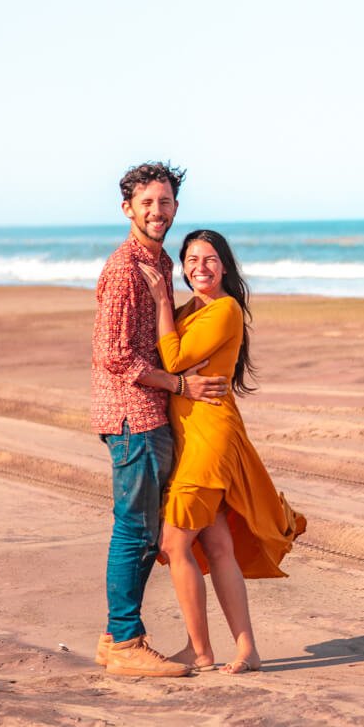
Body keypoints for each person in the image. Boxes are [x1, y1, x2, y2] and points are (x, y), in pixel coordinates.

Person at [138, 229, 304, 674]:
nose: (200, 268)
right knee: (217, 542)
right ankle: (246, 648)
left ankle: (200, 650)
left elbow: (172, 360)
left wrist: (158, 305)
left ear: (225, 266)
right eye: (191, 260)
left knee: (175, 542)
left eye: (209, 259)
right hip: (191, 435)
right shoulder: (191, 309)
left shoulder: (225, 310)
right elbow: (166, 356)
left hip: (210, 436)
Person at [90, 163, 228, 678]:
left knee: (146, 529)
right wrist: (178, 385)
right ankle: (126, 641)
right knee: (135, 530)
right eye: (147, 203)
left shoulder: (161, 260)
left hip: (149, 415)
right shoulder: (126, 267)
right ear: (128, 208)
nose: (157, 211)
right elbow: (114, 355)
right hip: (133, 416)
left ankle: (114, 636)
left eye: (165, 202)